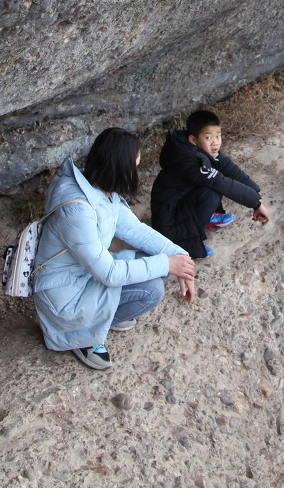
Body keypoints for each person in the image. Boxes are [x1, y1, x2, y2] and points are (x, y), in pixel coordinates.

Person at [33, 127, 196, 371]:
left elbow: (136, 231)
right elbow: (109, 274)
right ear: (120, 167)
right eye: (135, 166)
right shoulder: (77, 210)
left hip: (82, 278)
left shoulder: (100, 189)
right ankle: (81, 336)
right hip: (65, 298)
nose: (135, 173)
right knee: (152, 289)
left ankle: (105, 315)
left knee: (158, 265)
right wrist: (167, 264)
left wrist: (181, 260)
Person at [150, 109, 271, 260]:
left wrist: (255, 191)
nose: (215, 142)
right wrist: (256, 204)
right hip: (168, 220)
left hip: (180, 199)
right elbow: (223, 183)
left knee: (213, 185)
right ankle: (186, 242)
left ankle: (205, 217)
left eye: (218, 136)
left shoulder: (196, 148)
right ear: (193, 140)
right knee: (212, 193)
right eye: (208, 137)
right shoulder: (191, 161)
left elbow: (228, 167)